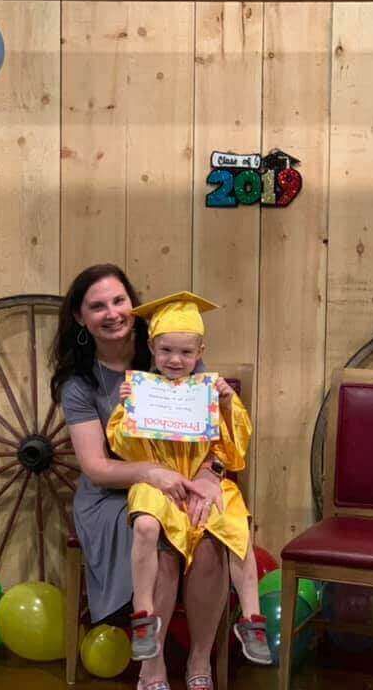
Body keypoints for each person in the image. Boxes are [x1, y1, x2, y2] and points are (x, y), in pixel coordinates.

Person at [51, 265, 229, 690]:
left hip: (183, 480)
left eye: (118, 300)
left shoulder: (169, 347)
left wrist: (209, 474)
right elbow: (96, 467)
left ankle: (199, 663)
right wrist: (152, 473)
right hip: (112, 494)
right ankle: (153, 667)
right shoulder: (79, 382)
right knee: (162, 536)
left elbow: (214, 436)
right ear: (80, 318)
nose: (112, 313)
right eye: (97, 306)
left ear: (133, 303)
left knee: (209, 536)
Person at [105, 291, 271, 667]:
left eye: (185, 352)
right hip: (159, 481)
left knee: (235, 526)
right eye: (166, 352)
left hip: (204, 481)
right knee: (146, 524)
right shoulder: (143, 391)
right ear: (151, 347)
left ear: (200, 351)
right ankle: (143, 614)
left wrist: (227, 405)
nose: (175, 360)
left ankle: (251, 619)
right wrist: (126, 406)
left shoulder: (211, 393)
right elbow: (126, 450)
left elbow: (233, 452)